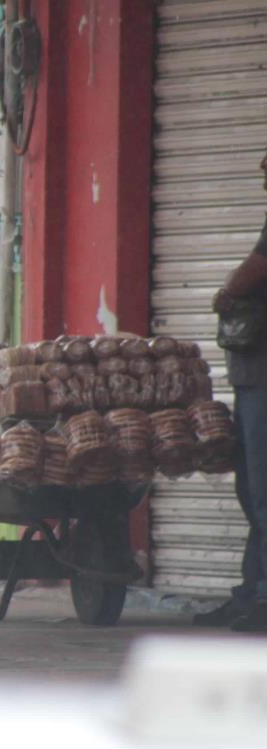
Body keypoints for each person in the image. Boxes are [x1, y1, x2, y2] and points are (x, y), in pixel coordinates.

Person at [196, 149, 267, 633]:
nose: (262, 171)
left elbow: (254, 270)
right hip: (253, 377)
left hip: (263, 379)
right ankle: (251, 591)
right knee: (252, 490)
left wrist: (226, 293)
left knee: (261, 491)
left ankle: (259, 597)